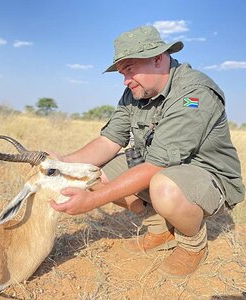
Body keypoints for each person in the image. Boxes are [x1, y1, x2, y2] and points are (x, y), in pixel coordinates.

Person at [50, 25, 245, 277]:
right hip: (161, 167)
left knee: (164, 187)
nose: (125, 80)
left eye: (129, 69)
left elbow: (156, 166)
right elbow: (110, 141)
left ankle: (192, 244)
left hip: (206, 175)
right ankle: (161, 230)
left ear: (158, 58)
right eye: (121, 73)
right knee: (92, 175)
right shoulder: (135, 91)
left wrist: (93, 201)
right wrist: (62, 163)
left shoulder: (194, 93)